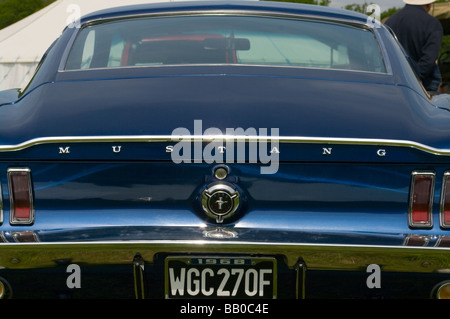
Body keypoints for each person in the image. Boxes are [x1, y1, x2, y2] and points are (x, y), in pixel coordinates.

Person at [385, 0, 443, 93]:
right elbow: (429, 59)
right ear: (428, 4)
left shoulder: (390, 21)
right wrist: (414, 79)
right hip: (424, 84)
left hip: (395, 82)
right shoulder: (432, 23)